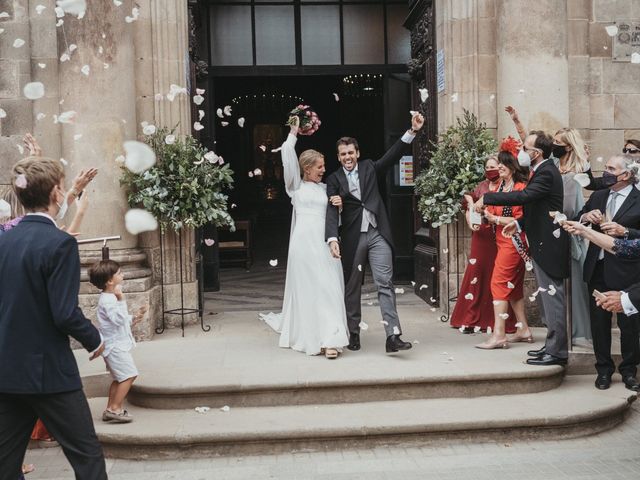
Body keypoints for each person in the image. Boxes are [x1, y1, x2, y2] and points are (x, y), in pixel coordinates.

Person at [0, 156, 107, 480]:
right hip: (49, 372)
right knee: (87, 457)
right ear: (57, 193)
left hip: (7, 369)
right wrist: (95, 338)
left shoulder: (4, 241)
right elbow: (64, 312)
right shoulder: (59, 242)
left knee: (4, 464)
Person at [325, 113, 424, 353]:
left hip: (377, 233)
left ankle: (393, 336)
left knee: (385, 283)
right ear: (338, 158)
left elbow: (392, 156)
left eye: (351, 152)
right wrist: (331, 238)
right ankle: (354, 332)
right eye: (343, 154)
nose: (348, 157)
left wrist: (411, 131)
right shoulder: (334, 180)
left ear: (357, 153)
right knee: (352, 287)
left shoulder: (369, 167)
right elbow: (330, 209)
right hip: (352, 237)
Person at [475, 131, 570, 366]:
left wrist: (487, 198)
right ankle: (550, 345)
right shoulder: (541, 170)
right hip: (540, 242)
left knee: (552, 299)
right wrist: (518, 224)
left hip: (549, 245)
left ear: (536, 153)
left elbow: (526, 196)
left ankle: (557, 352)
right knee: (547, 302)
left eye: (525, 149)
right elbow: (536, 209)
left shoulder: (547, 172)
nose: (521, 153)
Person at [260, 116, 349, 359]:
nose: (323, 169)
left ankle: (331, 338)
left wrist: (339, 205)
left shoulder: (327, 189)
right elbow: (287, 154)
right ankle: (313, 336)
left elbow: (335, 217)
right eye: (319, 166)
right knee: (309, 289)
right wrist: (293, 132)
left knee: (329, 287)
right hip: (302, 244)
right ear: (307, 168)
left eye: (323, 165)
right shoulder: (295, 187)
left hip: (324, 242)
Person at [573, 154, 640, 391]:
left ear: (627, 174)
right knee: (598, 324)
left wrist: (626, 231)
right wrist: (586, 217)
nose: (606, 172)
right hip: (597, 268)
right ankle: (603, 369)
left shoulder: (638, 199)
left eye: (611, 169)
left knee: (629, 325)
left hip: (627, 271)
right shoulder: (599, 195)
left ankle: (629, 371)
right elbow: (577, 218)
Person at [476, 142, 533, 349]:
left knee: (498, 284)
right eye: (498, 163)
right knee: (513, 287)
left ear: (513, 165)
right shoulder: (500, 186)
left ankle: (499, 334)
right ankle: (523, 329)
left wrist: (495, 219)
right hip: (501, 241)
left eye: (502, 163)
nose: (498, 166)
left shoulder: (520, 188)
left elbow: (521, 221)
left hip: (513, 242)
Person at [450, 156, 516, 334]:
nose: (490, 169)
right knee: (477, 272)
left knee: (497, 275)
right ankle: (470, 318)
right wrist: (470, 209)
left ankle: (497, 320)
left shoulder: (507, 186)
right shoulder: (482, 186)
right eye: (487, 167)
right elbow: (468, 200)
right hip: (482, 234)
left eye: (493, 166)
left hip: (499, 234)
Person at [89, 260, 148, 421]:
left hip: (116, 345)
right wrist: (121, 299)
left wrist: (135, 317)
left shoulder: (108, 297)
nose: (122, 275)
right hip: (115, 347)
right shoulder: (109, 299)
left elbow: (117, 321)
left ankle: (110, 407)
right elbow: (117, 320)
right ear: (109, 281)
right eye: (119, 273)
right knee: (129, 375)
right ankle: (115, 408)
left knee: (119, 377)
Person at [551, 128, 592, 346]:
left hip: (571, 229)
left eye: (557, 142)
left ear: (568, 146)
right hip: (554, 230)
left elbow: (574, 204)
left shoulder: (577, 172)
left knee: (575, 283)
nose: (553, 145)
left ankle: (580, 332)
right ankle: (560, 329)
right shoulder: (554, 166)